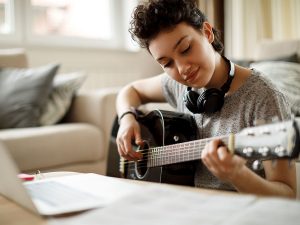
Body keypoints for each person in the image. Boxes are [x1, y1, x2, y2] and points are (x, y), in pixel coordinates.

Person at [116, 0, 296, 198]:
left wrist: (238, 175)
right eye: (167, 63)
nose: (182, 69)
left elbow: (286, 195)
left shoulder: (264, 98)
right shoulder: (178, 85)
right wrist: (127, 118)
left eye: (185, 49)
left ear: (208, 33)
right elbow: (130, 90)